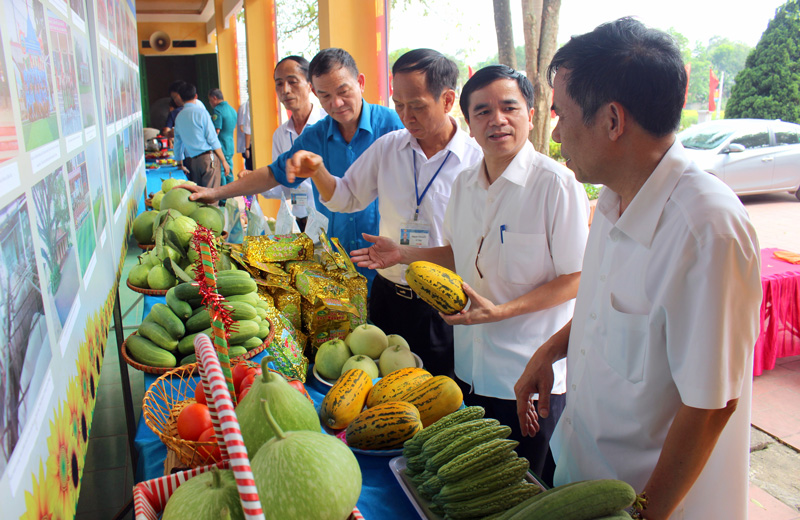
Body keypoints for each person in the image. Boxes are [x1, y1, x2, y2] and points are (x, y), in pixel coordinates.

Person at [513, 18, 762, 519]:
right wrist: (550, 350)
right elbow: (608, 310)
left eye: (561, 115)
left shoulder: (704, 229)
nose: (556, 134)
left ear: (611, 120)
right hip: (585, 472)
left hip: (652, 503)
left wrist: (646, 514)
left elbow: (711, 404)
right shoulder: (613, 196)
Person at [346, 65, 590, 484]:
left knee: (524, 491)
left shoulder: (556, 185)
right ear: (470, 125)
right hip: (470, 370)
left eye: (509, 107)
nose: (497, 119)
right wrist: (402, 253)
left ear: (532, 115)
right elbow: (458, 255)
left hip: (527, 378)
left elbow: (576, 278)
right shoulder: (464, 185)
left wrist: (501, 311)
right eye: (483, 112)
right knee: (478, 488)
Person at [286, 49, 482, 378]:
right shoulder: (389, 147)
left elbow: (476, 249)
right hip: (388, 297)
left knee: (437, 394)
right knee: (381, 394)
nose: (407, 116)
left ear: (448, 100)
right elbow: (345, 197)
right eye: (399, 105)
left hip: (442, 305)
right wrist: (318, 171)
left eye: (417, 106)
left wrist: (405, 253)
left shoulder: (475, 162)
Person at [182, 48, 404, 286]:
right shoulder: (315, 137)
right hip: (338, 259)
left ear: (360, 82)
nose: (336, 104)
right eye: (325, 96)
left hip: (387, 260)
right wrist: (215, 192)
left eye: (343, 92)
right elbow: (272, 174)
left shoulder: (392, 125)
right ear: (315, 93)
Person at [262, 56, 326, 231]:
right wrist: (258, 184)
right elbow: (284, 184)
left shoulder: (327, 124)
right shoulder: (280, 134)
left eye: (292, 82)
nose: (286, 90)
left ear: (310, 85)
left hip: (329, 219)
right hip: (301, 220)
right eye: (279, 84)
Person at [173, 82, 231, 189]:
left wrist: (179, 164)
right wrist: (223, 160)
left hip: (193, 162)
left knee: (199, 196)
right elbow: (212, 139)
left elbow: (177, 143)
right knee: (211, 196)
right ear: (196, 96)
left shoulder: (179, 117)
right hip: (208, 159)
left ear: (180, 98)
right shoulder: (201, 113)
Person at [208, 88, 238, 186]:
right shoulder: (232, 109)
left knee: (221, 171)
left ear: (214, 98)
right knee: (229, 171)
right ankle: (232, 194)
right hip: (230, 144)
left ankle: (223, 198)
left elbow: (216, 131)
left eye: (210, 100)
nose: (210, 103)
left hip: (221, 146)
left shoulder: (218, 110)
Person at [236, 97, 252, 171]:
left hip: (249, 145)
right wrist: (247, 148)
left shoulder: (247, 105)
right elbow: (244, 128)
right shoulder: (247, 106)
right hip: (248, 144)